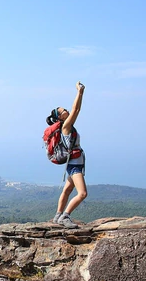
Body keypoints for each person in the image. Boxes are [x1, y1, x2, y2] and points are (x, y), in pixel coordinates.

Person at [48, 81, 86, 229]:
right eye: (63, 110)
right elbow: (76, 109)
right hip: (75, 165)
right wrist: (80, 92)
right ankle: (65, 216)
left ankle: (58, 215)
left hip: (75, 163)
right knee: (82, 193)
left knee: (67, 190)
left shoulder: (66, 127)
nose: (66, 111)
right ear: (61, 117)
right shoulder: (66, 126)